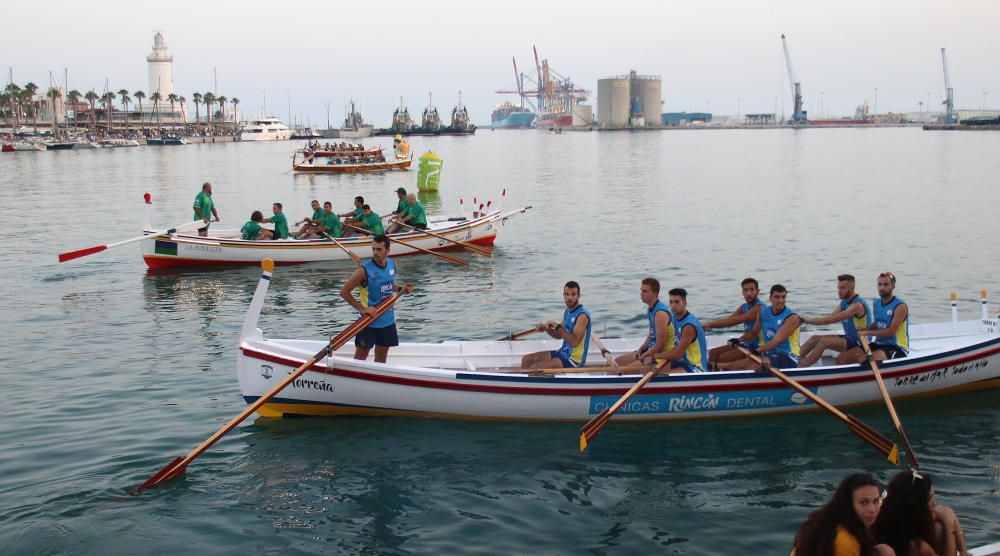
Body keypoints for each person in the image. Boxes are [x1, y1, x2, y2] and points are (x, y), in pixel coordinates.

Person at [339, 234, 414, 363]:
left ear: (388, 250)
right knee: (360, 360)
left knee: (381, 359)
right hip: (368, 322)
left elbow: (389, 285)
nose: (375, 252)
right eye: (373, 249)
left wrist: (401, 289)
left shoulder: (392, 264)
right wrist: (362, 309)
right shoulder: (363, 271)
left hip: (387, 321)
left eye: (379, 249)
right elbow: (344, 292)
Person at [873, 470, 968, 556]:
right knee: (941, 527)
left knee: (938, 527)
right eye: (930, 498)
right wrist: (949, 527)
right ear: (918, 506)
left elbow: (951, 517)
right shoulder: (919, 548)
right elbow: (950, 519)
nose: (935, 503)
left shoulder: (887, 517)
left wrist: (963, 551)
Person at [791, 472, 888, 556]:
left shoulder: (823, 520)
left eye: (875, 501)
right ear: (849, 504)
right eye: (864, 502)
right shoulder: (845, 541)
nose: (872, 510)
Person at [721, 284, 801, 370]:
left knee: (750, 366)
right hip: (769, 354)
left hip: (788, 357)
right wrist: (739, 340)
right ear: (770, 298)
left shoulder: (791, 317)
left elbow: (775, 342)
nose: (781, 300)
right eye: (777, 297)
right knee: (736, 366)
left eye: (783, 297)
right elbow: (752, 333)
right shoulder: (763, 313)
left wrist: (756, 351)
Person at [799, 275, 873, 367]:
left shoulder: (857, 305)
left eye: (842, 288)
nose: (839, 291)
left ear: (852, 287)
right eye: (838, 288)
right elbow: (830, 317)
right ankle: (793, 359)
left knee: (825, 342)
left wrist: (808, 320)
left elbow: (832, 320)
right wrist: (805, 319)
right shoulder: (844, 303)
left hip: (862, 344)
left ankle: (801, 366)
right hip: (850, 338)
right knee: (815, 338)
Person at [520, 281, 592, 370]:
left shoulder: (582, 316)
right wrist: (546, 329)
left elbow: (574, 342)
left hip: (574, 361)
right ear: (563, 295)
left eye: (573, 294)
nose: (569, 297)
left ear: (579, 296)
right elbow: (559, 335)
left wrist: (558, 327)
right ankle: (527, 383)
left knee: (533, 368)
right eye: (567, 294)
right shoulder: (567, 312)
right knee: (526, 360)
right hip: (562, 353)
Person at [703, 278, 765, 369]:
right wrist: (706, 326)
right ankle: (709, 379)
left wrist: (710, 325)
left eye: (752, 290)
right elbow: (729, 320)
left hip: (757, 347)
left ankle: (724, 379)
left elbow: (736, 320)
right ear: (742, 292)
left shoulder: (760, 308)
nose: (748, 293)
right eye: (745, 290)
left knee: (724, 358)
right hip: (746, 344)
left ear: (758, 291)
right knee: (713, 353)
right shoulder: (744, 307)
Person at [614, 278, 675, 371]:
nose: (641, 294)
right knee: (617, 361)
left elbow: (660, 345)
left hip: (661, 356)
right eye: (641, 290)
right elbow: (651, 335)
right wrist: (640, 349)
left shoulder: (660, 313)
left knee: (622, 371)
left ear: (655, 293)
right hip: (650, 351)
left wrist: (643, 356)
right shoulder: (651, 309)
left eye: (645, 291)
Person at [653, 288, 709, 373]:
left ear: (685, 303)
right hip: (682, 361)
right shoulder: (674, 318)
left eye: (677, 302)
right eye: (671, 302)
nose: (673, 305)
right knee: (647, 369)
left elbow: (676, 354)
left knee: (660, 376)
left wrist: (655, 356)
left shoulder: (688, 326)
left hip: (696, 368)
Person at [859, 272, 910, 362]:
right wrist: (864, 329)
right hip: (879, 344)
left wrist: (867, 332)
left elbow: (891, 331)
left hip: (897, 347)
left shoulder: (900, 306)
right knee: (850, 356)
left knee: (866, 360)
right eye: (880, 284)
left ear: (893, 286)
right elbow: (877, 323)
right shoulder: (876, 303)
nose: (882, 288)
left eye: (886, 285)